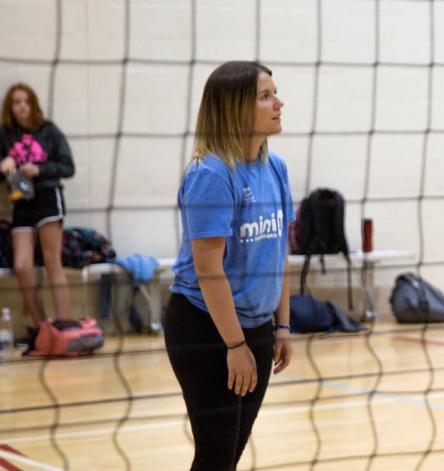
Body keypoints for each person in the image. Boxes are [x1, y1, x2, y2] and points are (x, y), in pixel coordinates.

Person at [164, 61, 294, 470]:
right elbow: (208, 270)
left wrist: (282, 326)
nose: (279, 103)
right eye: (266, 96)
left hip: (256, 328)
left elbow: (279, 254)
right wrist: (235, 346)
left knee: (229, 454)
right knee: (216, 455)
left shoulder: (275, 169)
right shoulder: (212, 174)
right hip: (205, 328)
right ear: (235, 108)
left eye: (275, 93)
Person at [0, 83, 75, 333]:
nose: (22, 106)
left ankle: (62, 326)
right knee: (22, 266)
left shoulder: (48, 130)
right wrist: (4, 165)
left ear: (33, 105)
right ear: (10, 107)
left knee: (53, 262)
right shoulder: (4, 134)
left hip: (47, 197)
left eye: (26, 101)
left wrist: (39, 169)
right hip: (21, 200)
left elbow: (68, 167)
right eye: (16, 102)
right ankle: (43, 328)